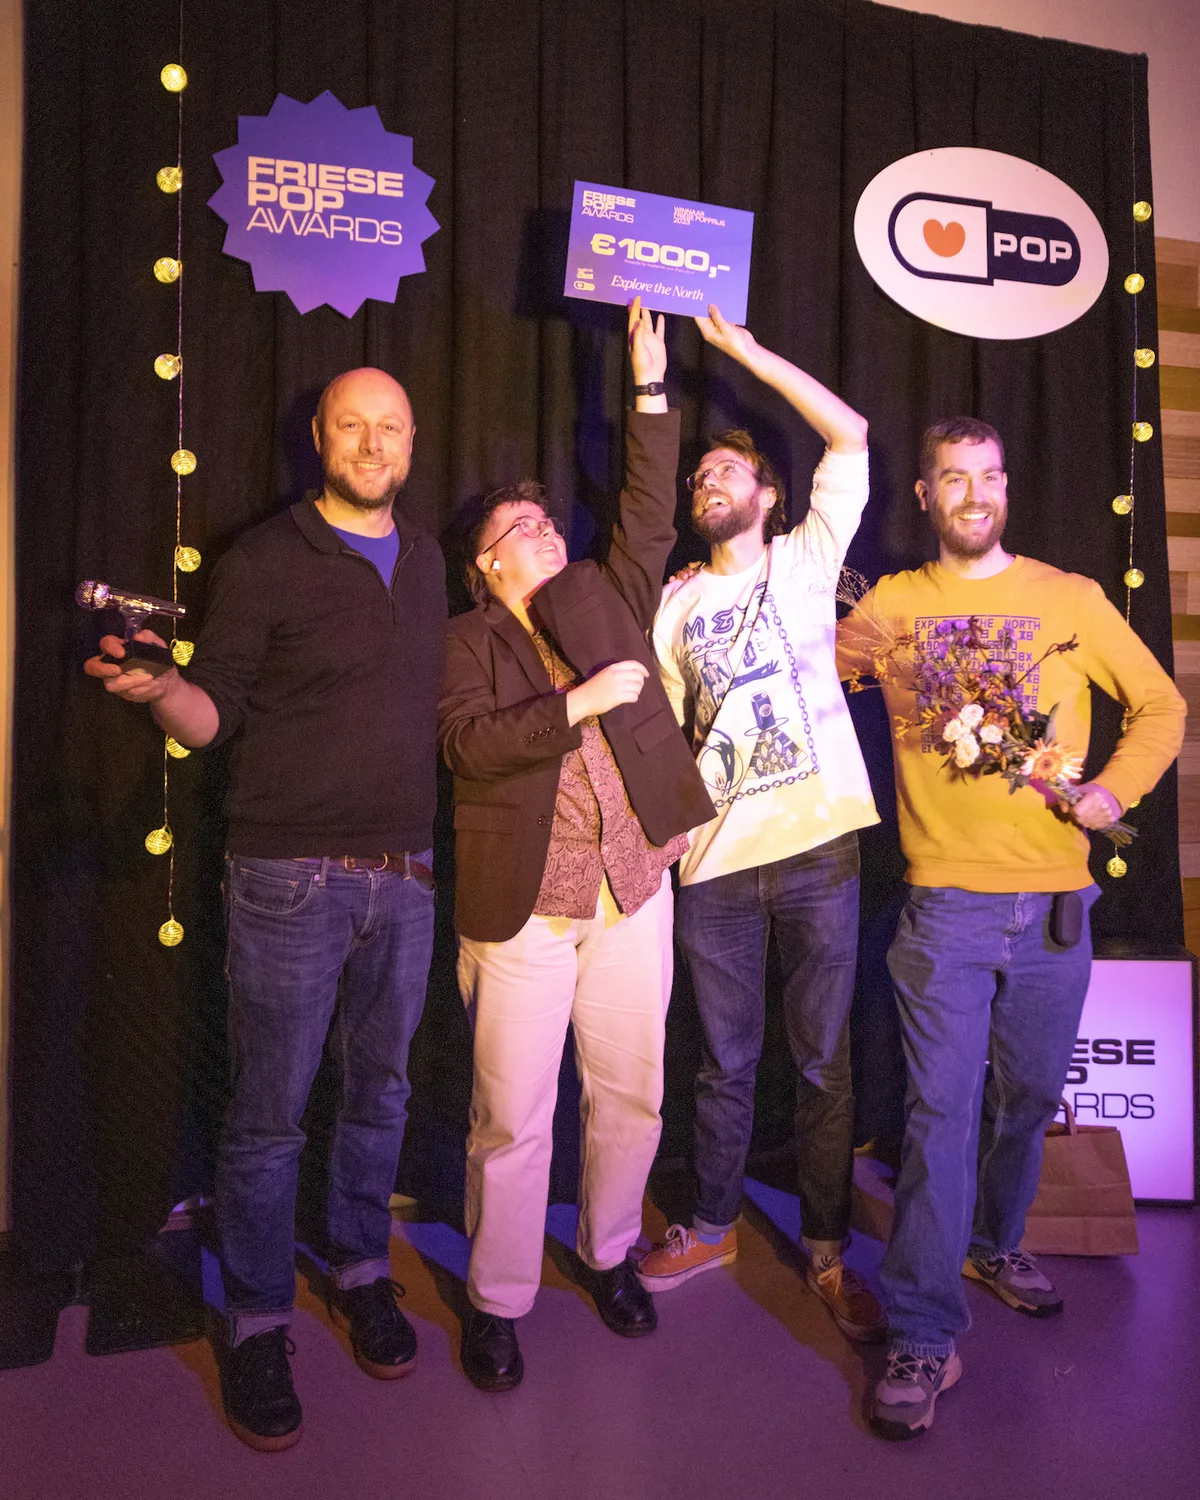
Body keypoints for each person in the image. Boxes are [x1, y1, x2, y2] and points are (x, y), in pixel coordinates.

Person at [85, 368, 446, 1452]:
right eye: (352, 426)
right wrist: (161, 693)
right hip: (288, 880)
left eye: (389, 427)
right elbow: (215, 719)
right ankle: (254, 1318)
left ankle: (360, 1266)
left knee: (381, 1094)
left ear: (412, 441)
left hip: (409, 876)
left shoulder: (430, 561)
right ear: (319, 438)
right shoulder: (264, 559)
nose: (372, 444)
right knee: (269, 1114)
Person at [836, 416, 1186, 1439]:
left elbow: (1161, 707)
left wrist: (1113, 791)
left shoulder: (1071, 599)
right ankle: (922, 1332)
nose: (974, 493)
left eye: (988, 475)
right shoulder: (891, 609)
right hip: (943, 907)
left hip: (1056, 909)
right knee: (939, 1116)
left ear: (1006, 487)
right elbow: (806, 675)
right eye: (953, 477)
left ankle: (992, 1243)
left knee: (1024, 1101)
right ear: (925, 497)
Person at [439, 300, 715, 1392]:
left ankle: (608, 1255)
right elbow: (467, 745)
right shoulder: (463, 641)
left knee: (632, 1094)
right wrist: (578, 703)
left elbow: (646, 512)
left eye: (548, 521)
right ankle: (497, 1300)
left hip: (635, 891)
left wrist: (648, 384)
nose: (546, 534)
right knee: (512, 1117)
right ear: (486, 565)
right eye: (523, 529)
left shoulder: (602, 597)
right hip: (525, 909)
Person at [640, 304, 883, 1341]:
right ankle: (712, 1225)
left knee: (824, 1063)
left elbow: (851, 435)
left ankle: (827, 1248)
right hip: (718, 866)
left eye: (727, 470)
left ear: (768, 494)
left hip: (820, 847)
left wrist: (744, 355)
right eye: (699, 475)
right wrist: (667, 836)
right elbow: (659, 733)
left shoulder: (807, 559)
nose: (708, 482)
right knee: (722, 1064)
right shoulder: (673, 604)